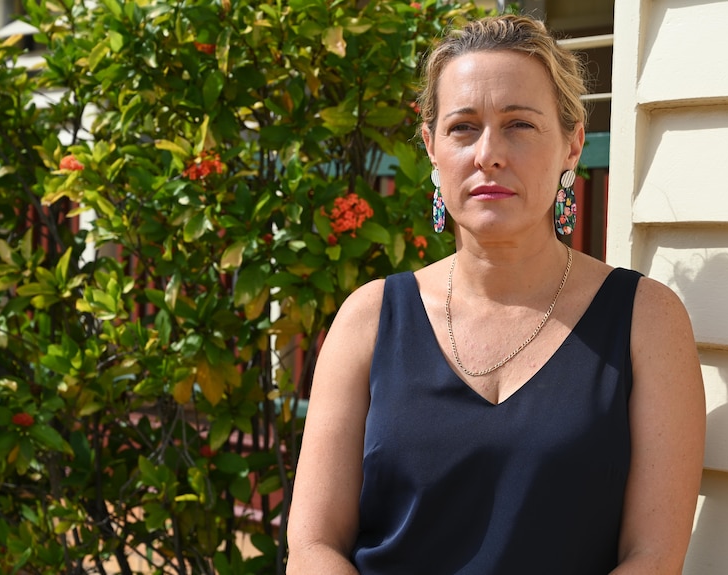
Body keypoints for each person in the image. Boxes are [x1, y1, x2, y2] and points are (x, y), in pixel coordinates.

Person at [287, 14, 705, 575]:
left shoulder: (646, 322)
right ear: (431, 147)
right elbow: (313, 546)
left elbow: (652, 558)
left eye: (519, 125)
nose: (489, 153)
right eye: (463, 127)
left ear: (572, 144)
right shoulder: (369, 318)